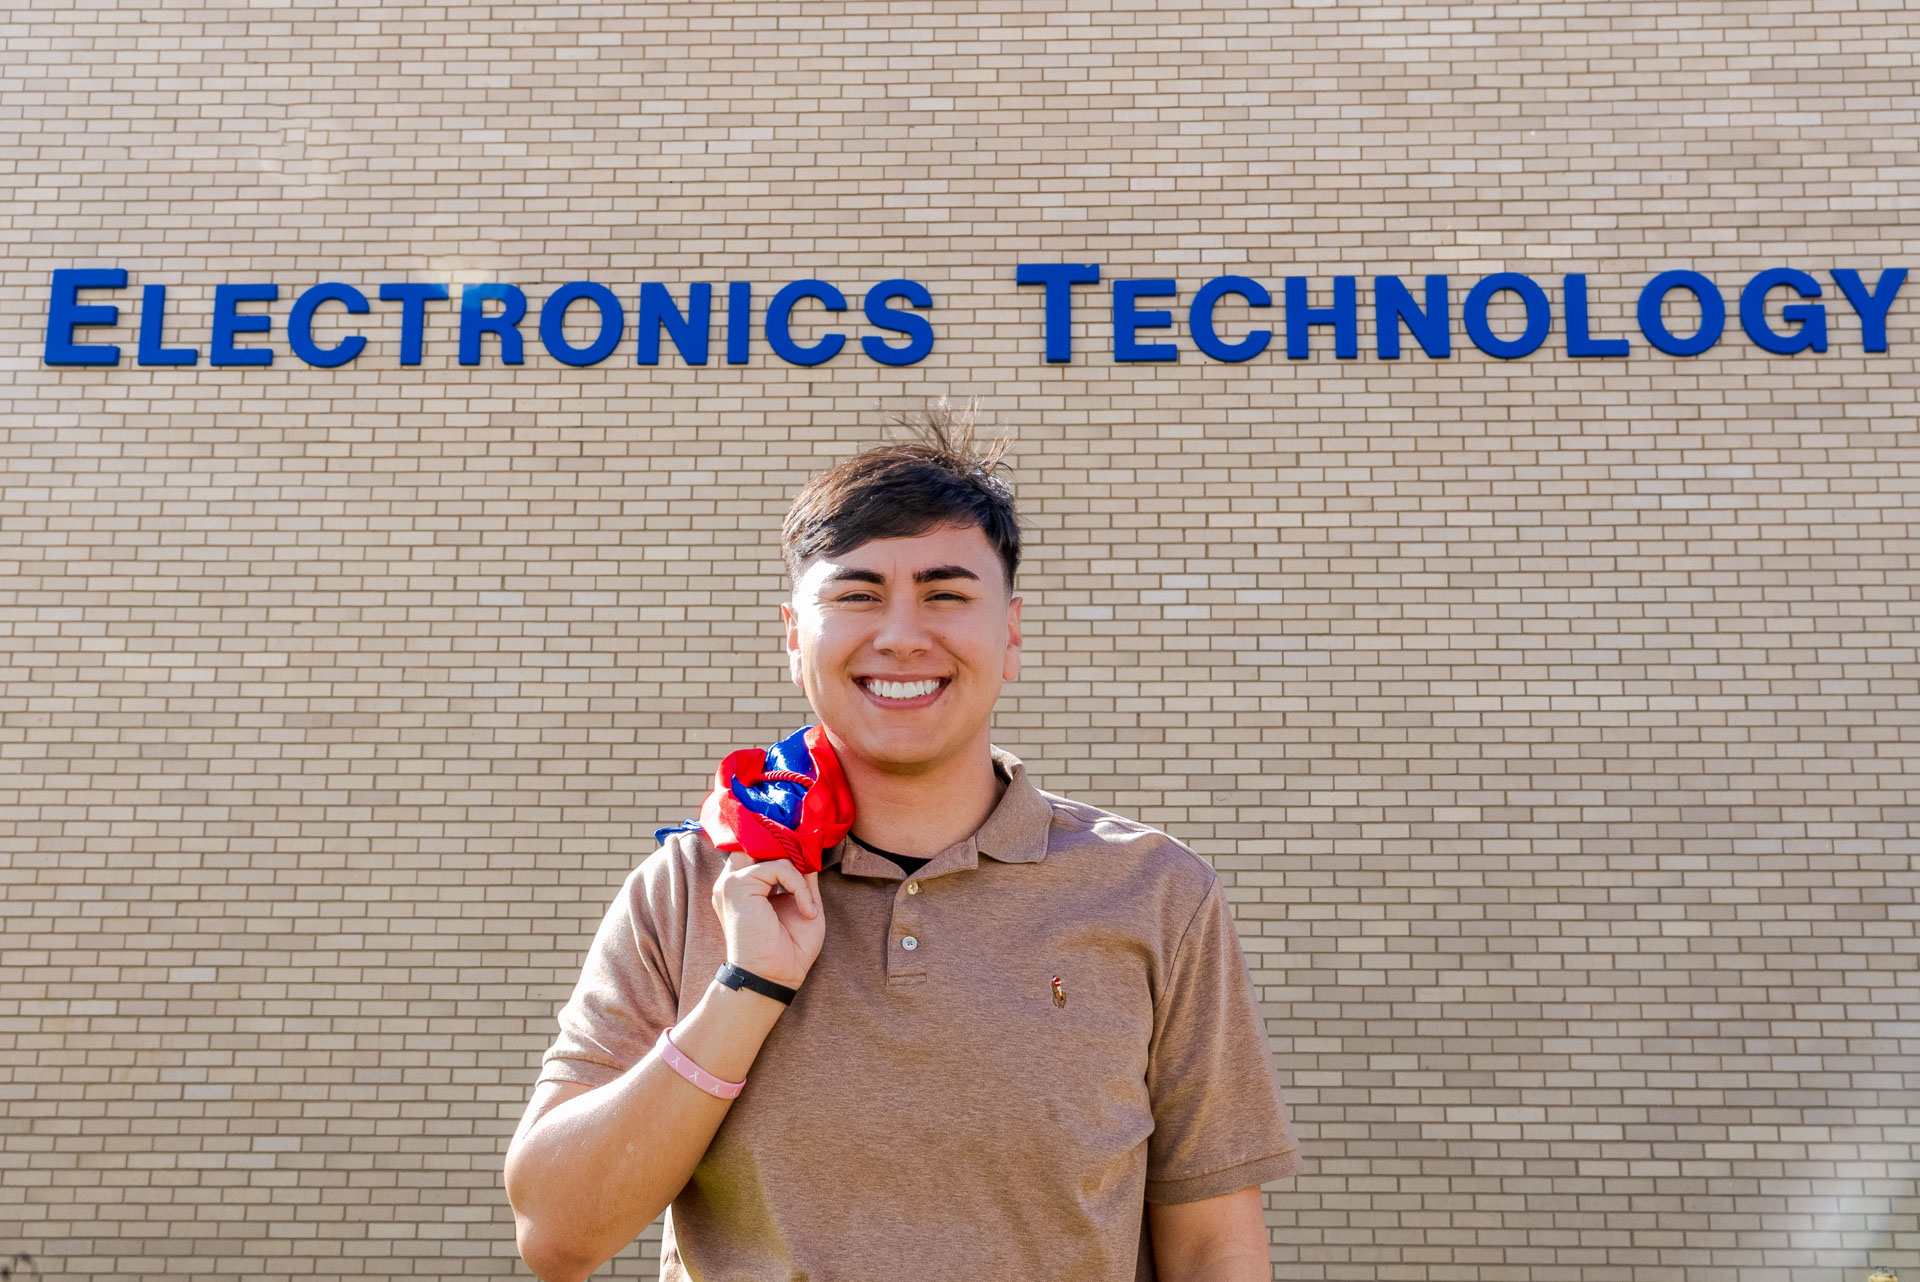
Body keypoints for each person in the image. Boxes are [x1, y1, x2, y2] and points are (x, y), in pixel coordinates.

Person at [503, 407, 1300, 1282]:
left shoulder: (1155, 892)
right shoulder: (691, 885)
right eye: (856, 595)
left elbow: (1215, 1246)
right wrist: (748, 986)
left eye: (947, 593)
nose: (901, 635)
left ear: (1012, 632)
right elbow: (559, 1236)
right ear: (794, 636)